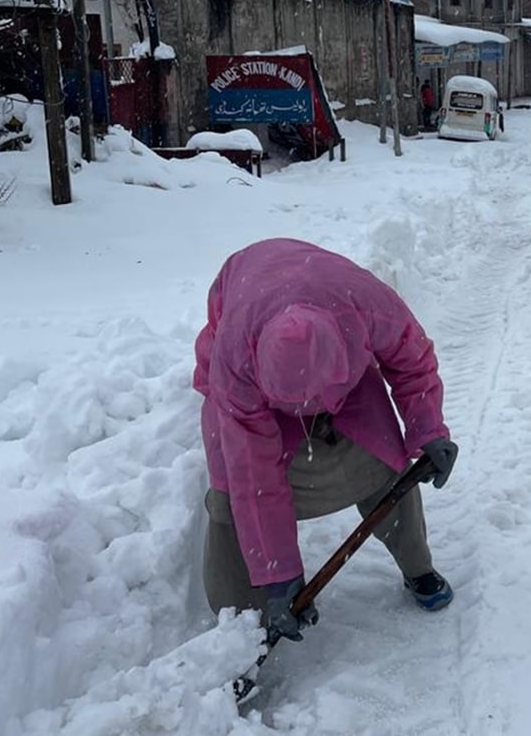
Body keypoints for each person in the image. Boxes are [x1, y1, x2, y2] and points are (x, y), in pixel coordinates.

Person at [193, 238, 461, 649]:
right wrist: (280, 573)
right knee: (231, 488)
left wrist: (429, 431)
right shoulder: (235, 365)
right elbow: (256, 476)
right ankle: (240, 625)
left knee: (382, 457)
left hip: (336, 351)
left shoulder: (364, 303)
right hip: (248, 366)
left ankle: (416, 564)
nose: (305, 414)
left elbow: (413, 361)